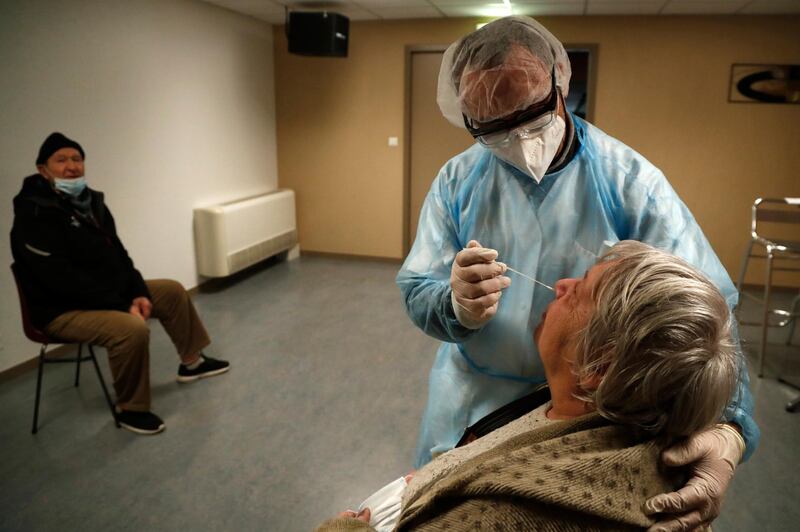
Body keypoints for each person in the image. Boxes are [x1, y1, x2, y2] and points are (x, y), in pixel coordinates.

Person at [396, 16, 758, 531]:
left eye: (532, 114)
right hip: (475, 396)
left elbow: (707, 315)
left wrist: (728, 429)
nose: (518, 138)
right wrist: (453, 304)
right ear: (468, 120)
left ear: (561, 85)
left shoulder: (630, 183)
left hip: (592, 409)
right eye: (493, 128)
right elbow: (418, 287)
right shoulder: (457, 181)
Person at [321, 241, 744, 531]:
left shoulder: (497, 514)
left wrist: (733, 427)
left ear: (600, 365)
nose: (560, 284)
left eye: (579, 291)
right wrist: (445, 475)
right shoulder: (587, 406)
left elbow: (700, 334)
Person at [10, 132, 230, 435]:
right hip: (60, 309)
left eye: (77, 159)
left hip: (106, 296)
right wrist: (122, 303)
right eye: (61, 160)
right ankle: (132, 409)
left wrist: (137, 291)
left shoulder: (92, 204)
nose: (71, 166)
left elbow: (120, 255)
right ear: (42, 169)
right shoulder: (32, 215)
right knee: (131, 328)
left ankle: (191, 362)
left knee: (171, 291)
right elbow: (59, 280)